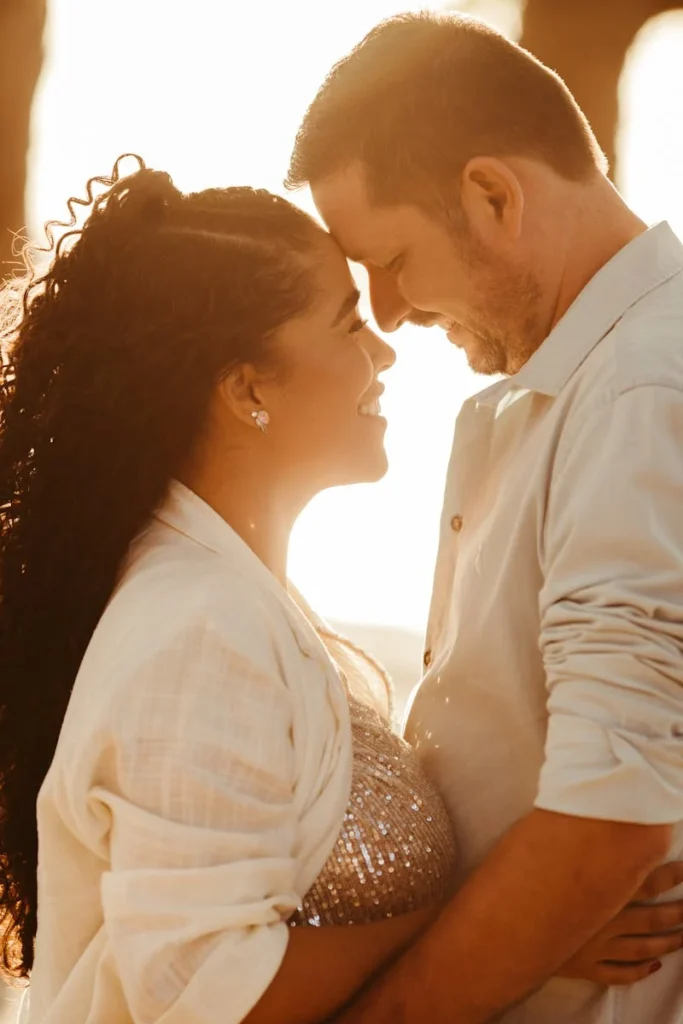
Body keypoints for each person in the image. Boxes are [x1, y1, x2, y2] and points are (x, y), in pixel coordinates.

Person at [0, 159, 679, 1024]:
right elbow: (207, 993)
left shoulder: (245, 603)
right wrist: (510, 934)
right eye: (347, 321)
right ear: (249, 387)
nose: (385, 347)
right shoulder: (195, 626)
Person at [285, 10, 683, 1023]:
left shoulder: (638, 392)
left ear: (491, 195)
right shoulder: (588, 382)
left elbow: (607, 817)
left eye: (390, 258)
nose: (384, 313)